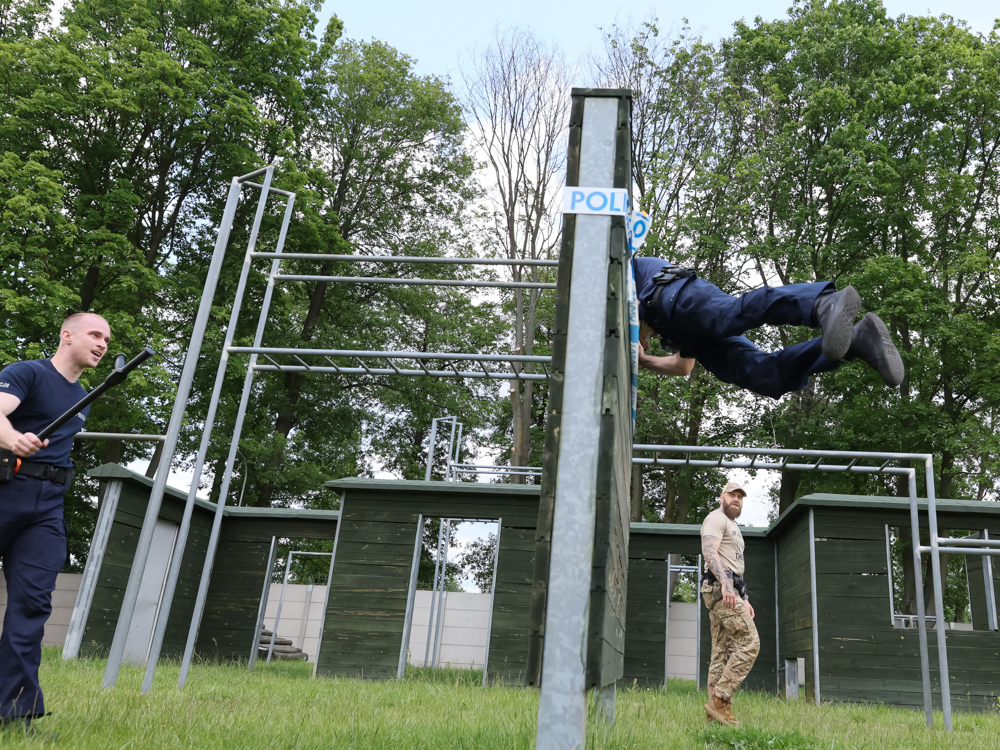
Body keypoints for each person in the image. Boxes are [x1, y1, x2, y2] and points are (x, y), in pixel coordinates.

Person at [0, 313, 110, 729]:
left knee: (32, 605)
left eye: (106, 339)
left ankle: (16, 714)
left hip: (47, 507)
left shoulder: (82, 396)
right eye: (95, 334)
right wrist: (13, 438)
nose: (102, 344)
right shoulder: (27, 373)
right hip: (6, 490)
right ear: (67, 335)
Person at [633, 257, 904, 399]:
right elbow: (682, 366)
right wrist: (643, 359)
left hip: (673, 296)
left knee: (728, 315)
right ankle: (857, 340)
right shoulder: (656, 325)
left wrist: (636, 329)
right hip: (692, 337)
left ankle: (821, 303)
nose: (650, 339)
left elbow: (624, 302)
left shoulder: (629, 268)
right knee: (762, 375)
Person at [700, 480, 759, 726]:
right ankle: (720, 700)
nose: (736, 499)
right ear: (721, 497)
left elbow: (734, 566)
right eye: (732, 495)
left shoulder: (733, 525)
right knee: (750, 642)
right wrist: (725, 584)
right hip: (721, 588)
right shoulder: (716, 518)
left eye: (740, 496)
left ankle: (714, 716)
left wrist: (744, 596)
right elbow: (710, 552)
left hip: (729, 590)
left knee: (721, 653)